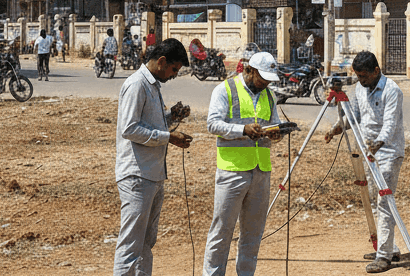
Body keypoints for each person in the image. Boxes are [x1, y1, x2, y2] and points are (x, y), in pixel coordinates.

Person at [114, 38, 193, 276]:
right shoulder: (137, 84)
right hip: (137, 175)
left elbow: (150, 124)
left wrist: (171, 116)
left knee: (146, 243)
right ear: (161, 62)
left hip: (153, 174)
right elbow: (129, 129)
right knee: (130, 245)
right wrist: (168, 137)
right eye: (173, 69)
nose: (173, 75)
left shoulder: (153, 86)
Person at [202, 51, 283, 276]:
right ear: (249, 70)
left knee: (253, 233)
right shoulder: (225, 90)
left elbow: (273, 124)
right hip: (232, 170)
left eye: (269, 79)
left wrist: (277, 133)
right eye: (262, 77)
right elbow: (213, 125)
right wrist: (242, 130)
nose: (265, 83)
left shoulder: (269, 95)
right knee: (222, 232)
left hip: (260, 171)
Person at [325, 51, 405, 274]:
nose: (361, 80)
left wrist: (377, 144)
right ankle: (389, 247)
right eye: (358, 76)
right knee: (375, 201)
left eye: (364, 76)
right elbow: (354, 115)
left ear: (376, 71)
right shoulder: (361, 88)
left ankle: (384, 257)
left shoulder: (392, 91)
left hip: (388, 152)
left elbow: (390, 125)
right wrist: (336, 129)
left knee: (385, 203)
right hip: (370, 153)